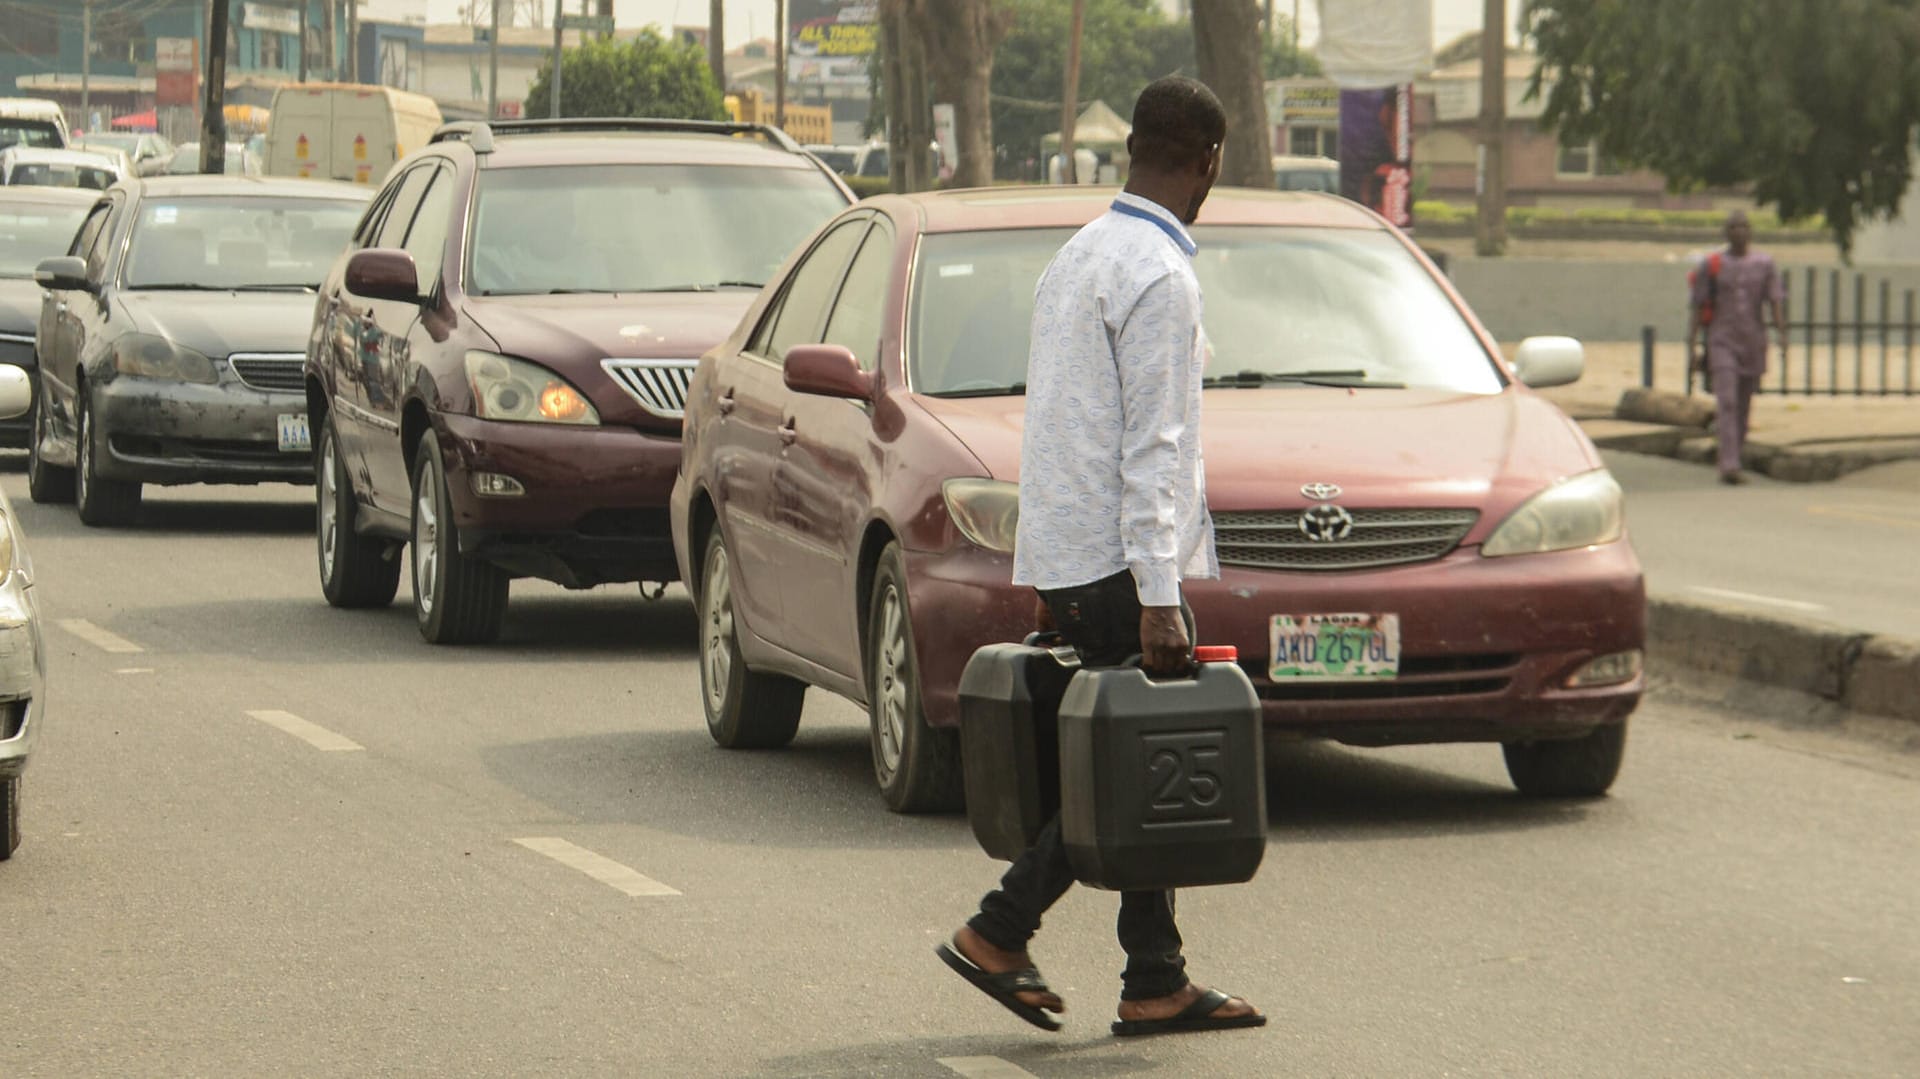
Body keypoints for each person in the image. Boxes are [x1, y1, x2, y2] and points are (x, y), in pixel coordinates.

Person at [935, 76, 1265, 1039]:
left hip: (1076, 556)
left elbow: (1053, 426)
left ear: (1132, 149)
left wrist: (1045, 573)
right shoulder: (1162, 275)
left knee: (1136, 762)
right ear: (1207, 163)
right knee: (1128, 770)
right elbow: (1152, 446)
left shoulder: (1077, 255)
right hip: (1125, 568)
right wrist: (1160, 594)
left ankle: (1154, 977)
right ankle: (1000, 929)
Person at [1687, 210, 1787, 484]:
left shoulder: (1764, 264)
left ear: (1751, 232)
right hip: (1722, 340)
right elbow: (1698, 305)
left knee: (1743, 402)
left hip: (1752, 340)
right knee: (1727, 400)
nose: (1739, 232)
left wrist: (1782, 334)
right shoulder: (1713, 265)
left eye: (1743, 226)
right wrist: (1693, 343)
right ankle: (1728, 464)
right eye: (1733, 227)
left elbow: (1774, 300)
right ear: (1726, 232)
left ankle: (1735, 453)